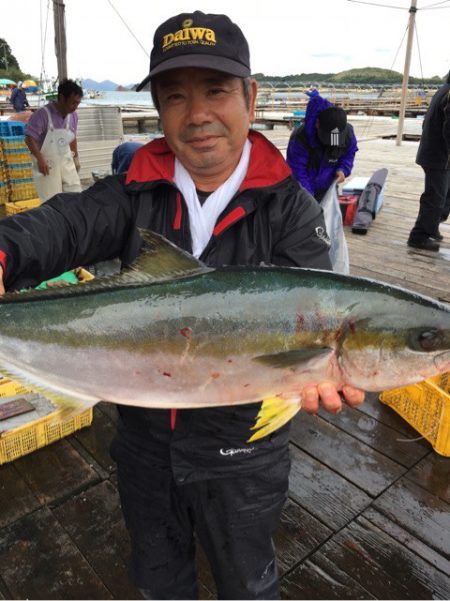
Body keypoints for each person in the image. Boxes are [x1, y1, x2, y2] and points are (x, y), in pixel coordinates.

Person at [0, 12, 364, 599]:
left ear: (250, 96)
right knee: (157, 580)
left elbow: (314, 297)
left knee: (247, 583)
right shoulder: (131, 190)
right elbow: (62, 226)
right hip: (143, 447)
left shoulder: (289, 209)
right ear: (162, 110)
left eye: (215, 91)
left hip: (242, 456)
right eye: (174, 96)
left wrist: (316, 374)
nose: (196, 114)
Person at [286, 90, 358, 201]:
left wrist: (343, 169)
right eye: (328, 137)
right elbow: (298, 172)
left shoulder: (348, 133)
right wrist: (309, 199)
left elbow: (349, 154)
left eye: (335, 139)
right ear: (317, 123)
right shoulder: (300, 138)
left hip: (328, 187)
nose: (331, 143)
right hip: (302, 189)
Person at [407, 72, 450, 252]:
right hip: (439, 156)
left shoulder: (444, 89)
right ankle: (419, 236)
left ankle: (432, 225)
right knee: (435, 197)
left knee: (446, 194)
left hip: (436, 154)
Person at [24, 78, 83, 202]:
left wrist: (76, 157)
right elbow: (29, 138)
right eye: (73, 103)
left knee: (75, 195)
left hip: (65, 160)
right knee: (51, 202)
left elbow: (72, 137)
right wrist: (40, 159)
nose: (75, 107)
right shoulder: (42, 114)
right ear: (61, 97)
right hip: (47, 164)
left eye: (78, 103)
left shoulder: (73, 116)